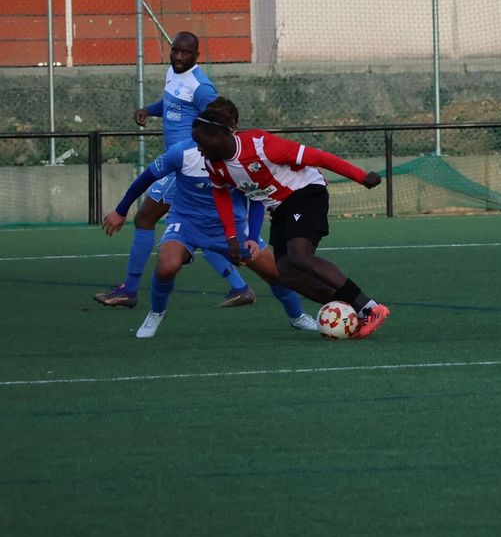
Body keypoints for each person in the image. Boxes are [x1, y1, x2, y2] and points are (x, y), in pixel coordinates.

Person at [100, 100, 319, 339]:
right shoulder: (182, 153)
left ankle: (297, 317)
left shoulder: (243, 156)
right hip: (186, 224)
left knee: (275, 273)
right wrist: (121, 211)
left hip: (231, 230)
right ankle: (156, 312)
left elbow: (256, 197)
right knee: (166, 266)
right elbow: (145, 178)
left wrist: (253, 237)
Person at [188, 98, 391, 339]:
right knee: (286, 273)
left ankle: (370, 307)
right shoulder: (214, 164)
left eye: (201, 142)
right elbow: (221, 194)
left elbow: (318, 157)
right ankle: (353, 310)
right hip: (280, 207)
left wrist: (360, 176)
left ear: (219, 135)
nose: (198, 148)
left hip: (305, 192)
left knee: (300, 256)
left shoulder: (261, 145)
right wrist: (232, 237)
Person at [94, 31, 255, 308]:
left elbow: (220, 122)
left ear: (196, 56)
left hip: (187, 164)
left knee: (144, 218)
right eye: (175, 51)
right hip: (176, 161)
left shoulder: (203, 88)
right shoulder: (173, 72)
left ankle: (128, 291)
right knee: (199, 233)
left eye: (185, 53)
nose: (178, 57)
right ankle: (240, 288)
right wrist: (149, 109)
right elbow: (172, 104)